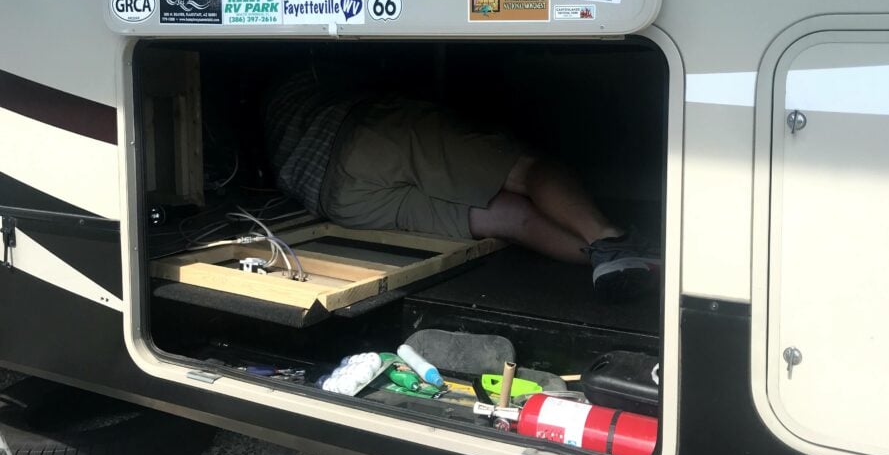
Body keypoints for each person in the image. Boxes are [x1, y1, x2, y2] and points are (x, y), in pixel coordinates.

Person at [263, 68, 653, 300]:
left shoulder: (269, 110)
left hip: (336, 199)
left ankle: (616, 263)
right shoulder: (307, 71)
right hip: (359, 136)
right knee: (524, 170)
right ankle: (613, 242)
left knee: (507, 221)